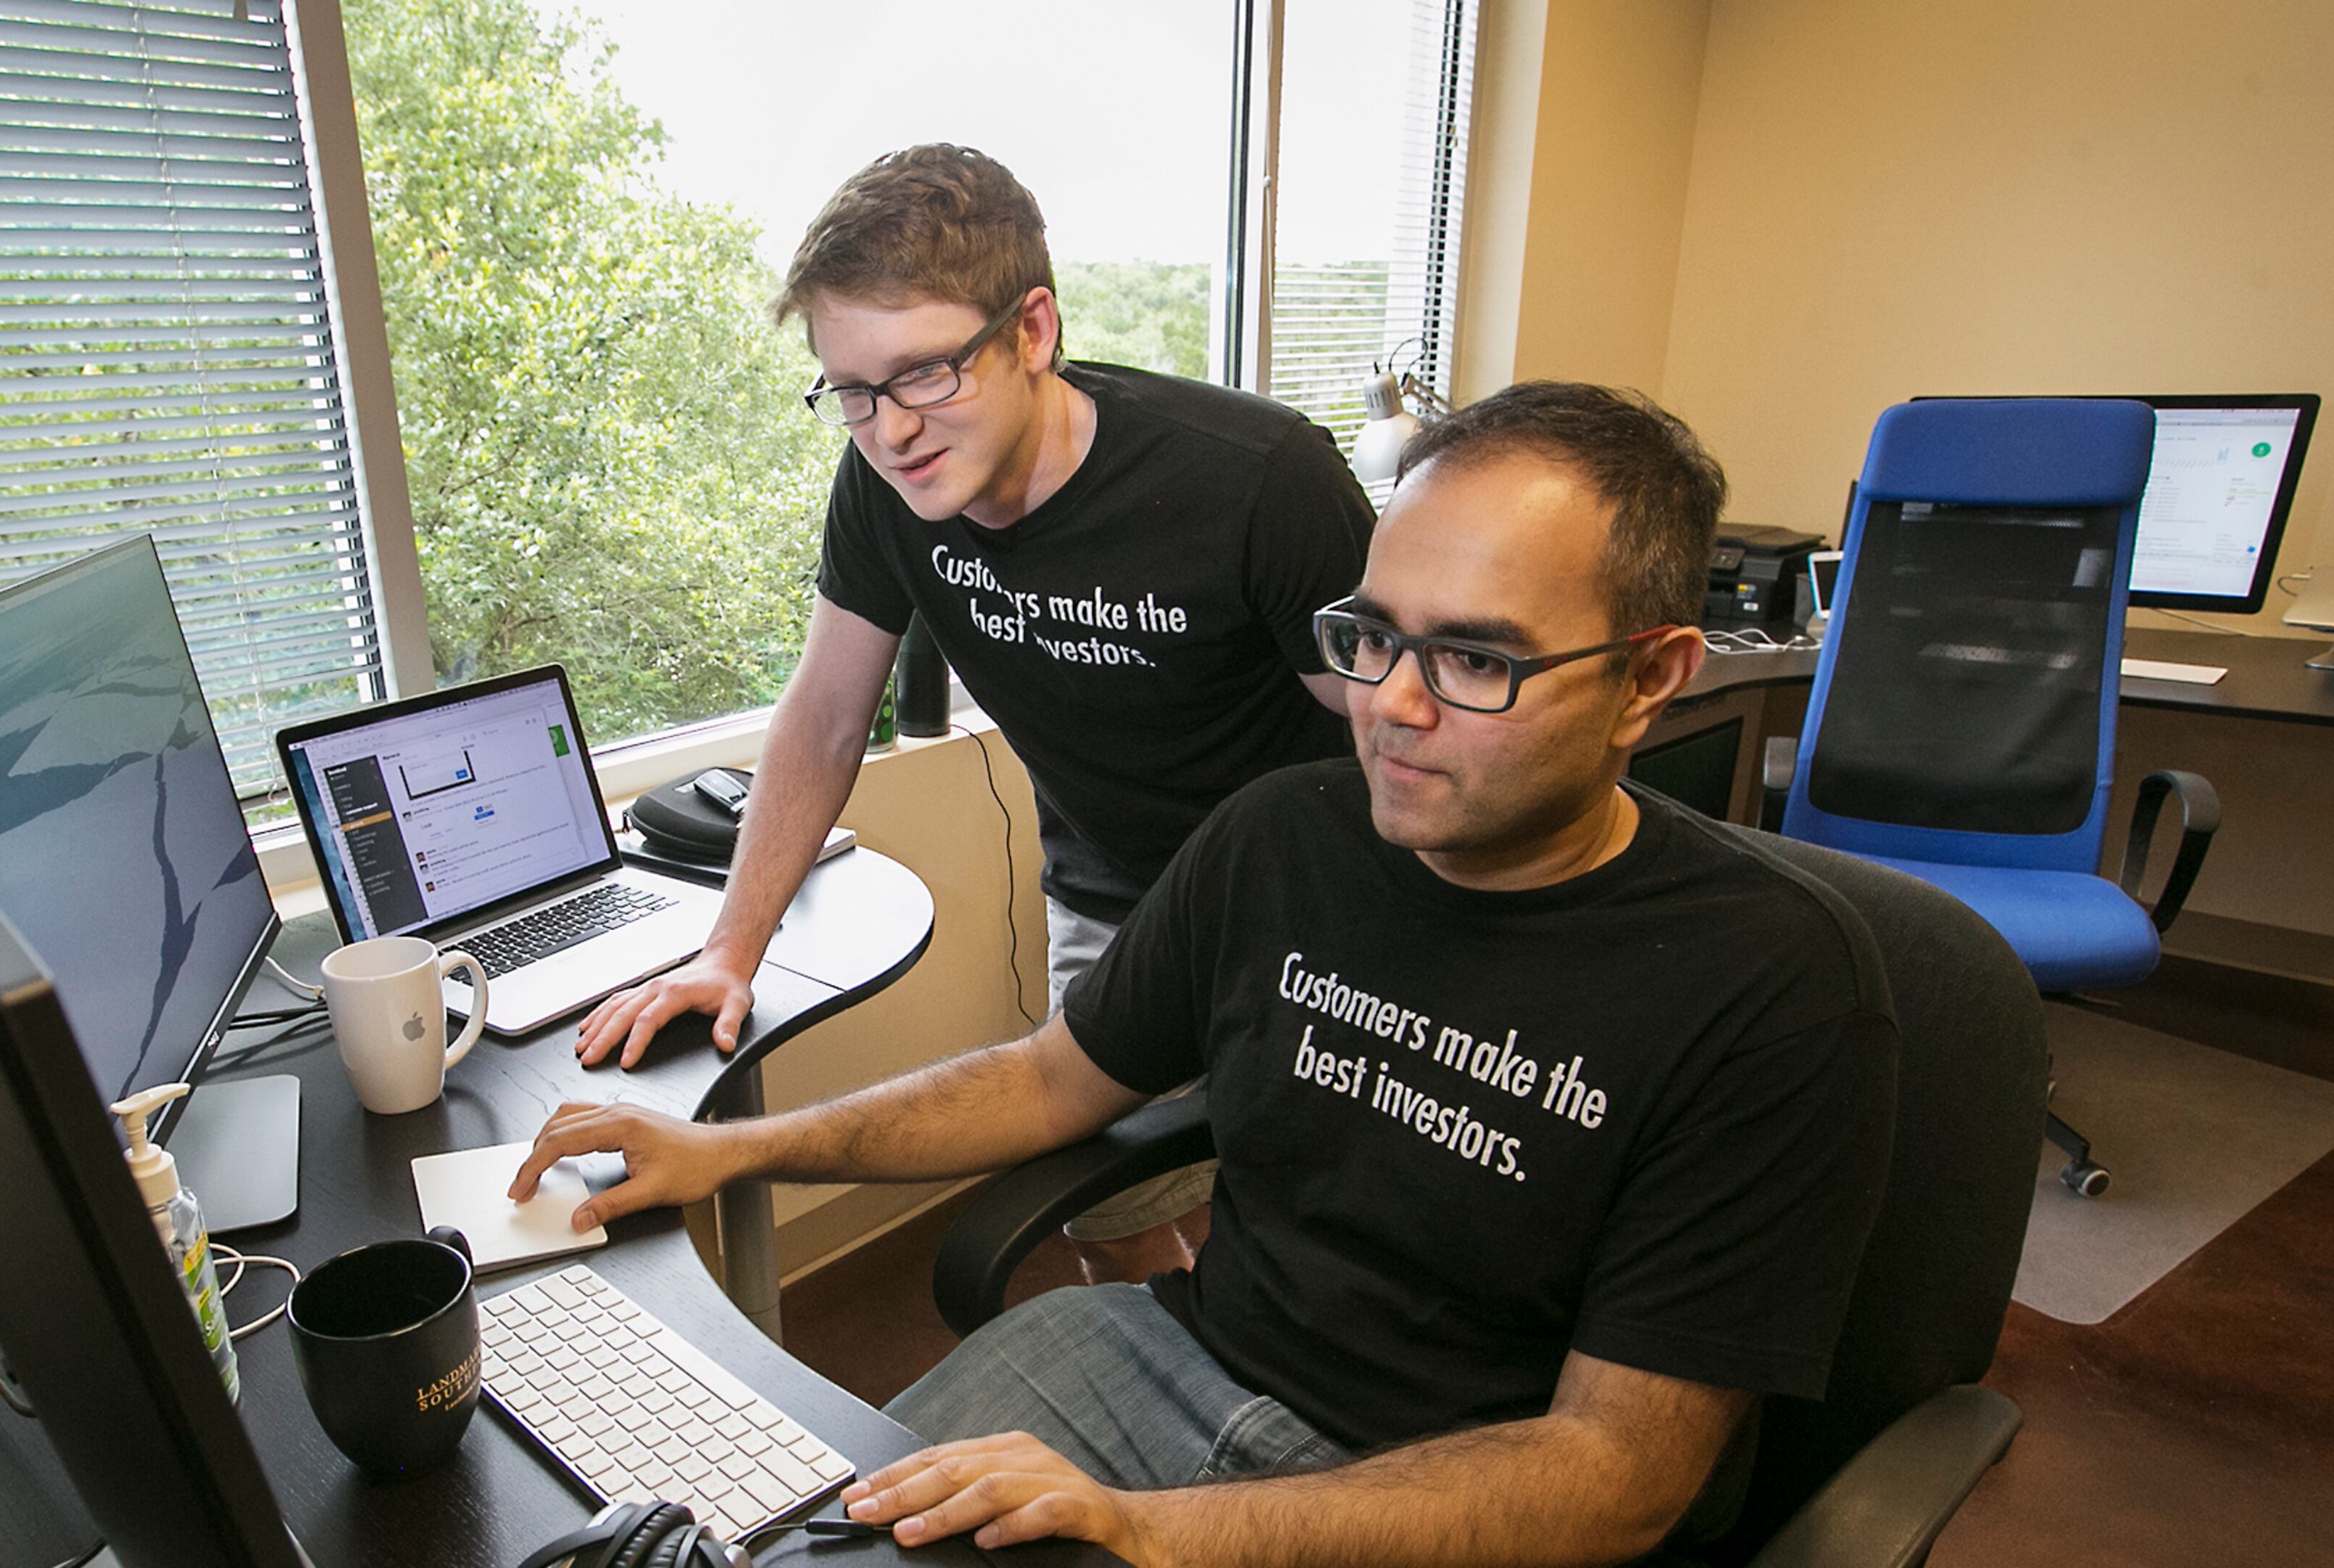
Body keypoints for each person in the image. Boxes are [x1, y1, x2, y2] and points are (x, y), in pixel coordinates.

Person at [515, 382, 1899, 1567]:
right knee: (796, 1542)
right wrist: (732, 1150)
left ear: (1650, 680)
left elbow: (1618, 1474)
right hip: (1179, 1362)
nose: (1390, 707)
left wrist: (1156, 1528)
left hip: (1459, 1492)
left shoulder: (1772, 985)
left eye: (1475, 659)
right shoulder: (1282, 836)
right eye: (1373, 636)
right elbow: (1046, 1082)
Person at [574, 143, 1376, 1284]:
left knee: (1309, 1241)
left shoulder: (1255, 479)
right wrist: (728, 953)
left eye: (925, 374)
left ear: (1032, 330)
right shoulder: (886, 489)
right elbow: (824, 716)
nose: (891, 429)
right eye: (853, 392)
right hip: (1112, 901)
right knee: (1113, 1222)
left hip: (1311, 905)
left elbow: (1394, 731)